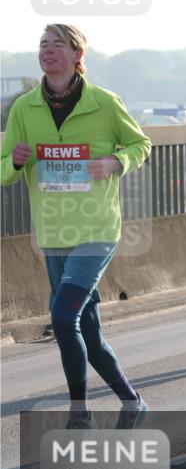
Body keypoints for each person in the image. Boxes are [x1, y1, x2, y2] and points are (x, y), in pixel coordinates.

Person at [0, 24, 151, 429]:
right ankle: (132, 401)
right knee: (88, 330)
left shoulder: (103, 103)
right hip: (52, 234)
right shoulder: (23, 109)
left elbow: (141, 144)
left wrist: (116, 162)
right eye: (42, 45)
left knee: (64, 319)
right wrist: (14, 161)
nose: (47, 51)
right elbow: (3, 173)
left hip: (97, 230)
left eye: (57, 45)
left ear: (77, 55)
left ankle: (79, 412)